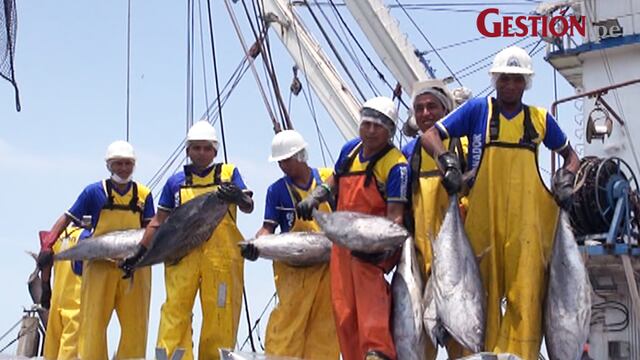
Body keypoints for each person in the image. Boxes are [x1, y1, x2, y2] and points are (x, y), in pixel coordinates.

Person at [420, 46, 580, 359]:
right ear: (495, 80)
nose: (510, 85)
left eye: (517, 80)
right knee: (480, 295)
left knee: (527, 298)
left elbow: (571, 157)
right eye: (505, 79)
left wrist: (566, 178)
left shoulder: (540, 120)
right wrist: (447, 162)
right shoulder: (478, 110)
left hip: (527, 229)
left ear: (526, 83)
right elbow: (429, 135)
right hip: (483, 222)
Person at [121, 120, 254, 360]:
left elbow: (249, 206)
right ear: (188, 151)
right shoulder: (175, 182)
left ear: (215, 151)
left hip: (221, 261)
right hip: (181, 259)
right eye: (196, 148)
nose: (201, 153)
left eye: (206, 148)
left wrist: (237, 195)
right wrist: (140, 252)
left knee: (220, 315)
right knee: (175, 310)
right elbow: (158, 221)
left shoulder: (229, 173)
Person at [297, 96, 409, 360]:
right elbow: (335, 179)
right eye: (366, 124)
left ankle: (379, 354)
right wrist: (317, 194)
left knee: (372, 308)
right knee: (343, 310)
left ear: (390, 131)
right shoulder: (349, 150)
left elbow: (396, 218)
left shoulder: (396, 166)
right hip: (342, 244)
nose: (370, 130)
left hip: (371, 249)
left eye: (378, 126)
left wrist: (382, 251)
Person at [37, 140, 155, 359]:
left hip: (134, 268)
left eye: (128, 163)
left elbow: (151, 228)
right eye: (118, 163)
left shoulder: (144, 194)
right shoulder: (93, 192)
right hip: (100, 266)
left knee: (136, 326)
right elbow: (67, 218)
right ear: (109, 165)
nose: (123, 168)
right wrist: (48, 245)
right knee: (93, 325)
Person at [241, 130, 340, 359]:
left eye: (286, 160)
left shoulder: (328, 179)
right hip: (292, 271)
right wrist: (256, 245)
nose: (283, 166)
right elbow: (268, 228)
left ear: (300, 155)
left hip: (329, 268)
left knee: (325, 325)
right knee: (288, 323)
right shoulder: (276, 191)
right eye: (280, 162)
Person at [401, 79, 467, 360]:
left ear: (446, 110)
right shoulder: (409, 153)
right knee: (418, 337)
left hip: (458, 256)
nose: (425, 113)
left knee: (462, 334)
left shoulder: (462, 145)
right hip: (420, 256)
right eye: (419, 108)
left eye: (432, 107)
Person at [42, 224, 87, 360]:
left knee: (51, 352)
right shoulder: (85, 236)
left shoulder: (57, 237)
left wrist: (45, 289)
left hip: (56, 303)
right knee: (69, 353)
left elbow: (45, 264)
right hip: (76, 307)